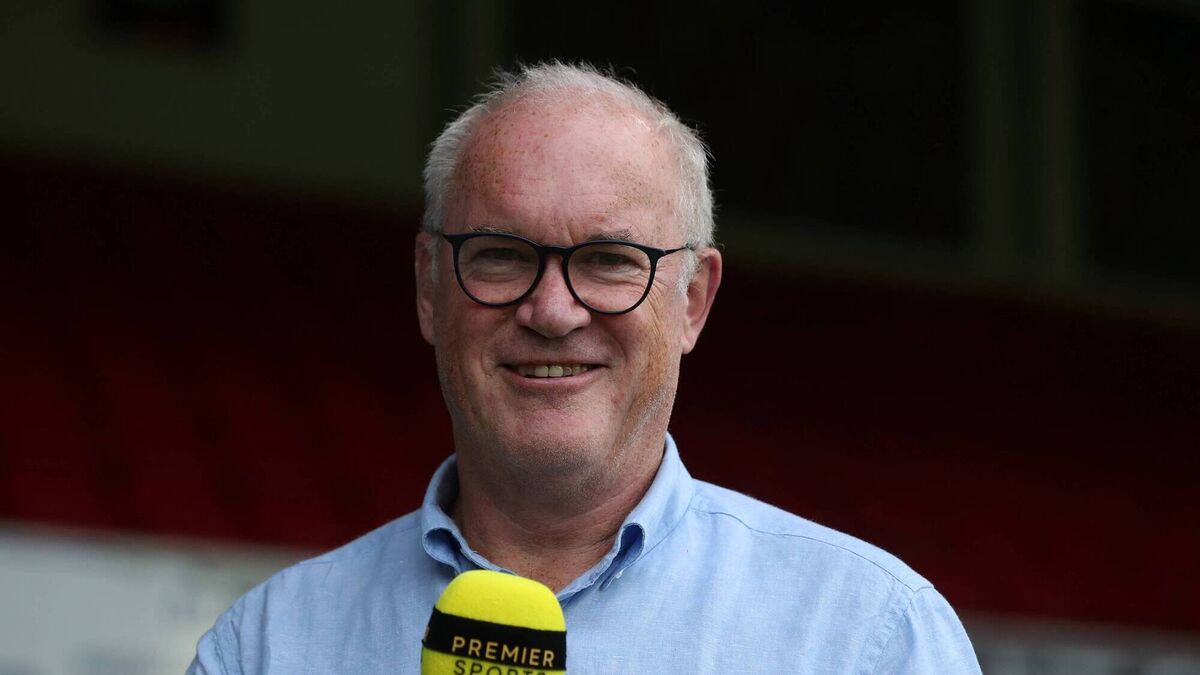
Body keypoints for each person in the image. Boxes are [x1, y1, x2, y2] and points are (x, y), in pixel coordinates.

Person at [189, 62, 981, 674]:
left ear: (693, 301)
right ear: (429, 287)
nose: (552, 310)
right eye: (501, 254)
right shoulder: (268, 647)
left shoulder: (868, 638)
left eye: (608, 260)